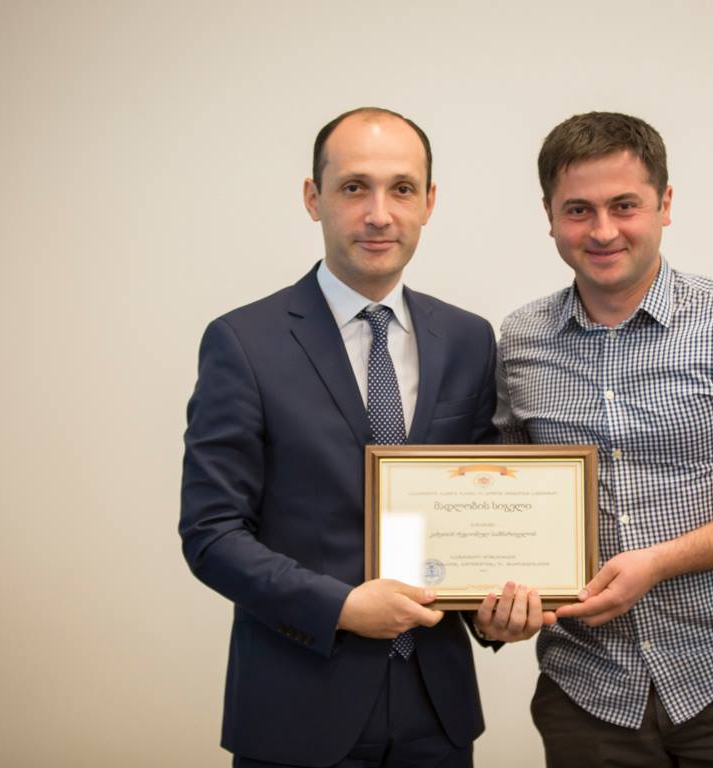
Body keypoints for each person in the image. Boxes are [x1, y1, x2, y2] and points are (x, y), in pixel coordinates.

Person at [180, 107, 537, 768]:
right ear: (313, 198)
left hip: (438, 713)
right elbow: (211, 534)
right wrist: (341, 606)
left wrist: (493, 608)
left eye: (401, 189)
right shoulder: (243, 343)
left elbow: (471, 513)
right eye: (353, 187)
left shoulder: (468, 339)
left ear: (429, 202)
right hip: (297, 711)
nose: (379, 214)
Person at [496, 111, 713, 767]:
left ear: (665, 204)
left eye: (624, 205)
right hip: (586, 692)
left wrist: (658, 562)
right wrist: (495, 598)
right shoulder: (519, 341)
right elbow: (506, 504)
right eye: (578, 210)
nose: (602, 231)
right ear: (549, 216)